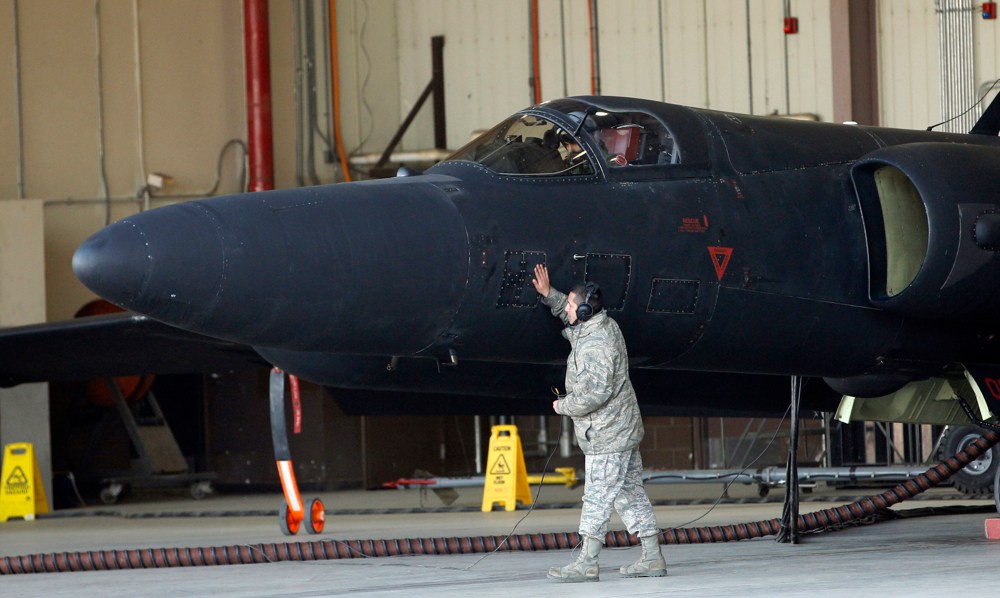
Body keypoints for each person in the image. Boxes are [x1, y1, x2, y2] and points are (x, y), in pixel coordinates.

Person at [531, 263, 666, 583]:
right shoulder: (596, 325)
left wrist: (563, 406)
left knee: (597, 496)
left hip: (609, 432)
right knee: (630, 494)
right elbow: (570, 315)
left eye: (570, 305)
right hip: (619, 429)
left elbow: (597, 392)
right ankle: (653, 557)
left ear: (586, 309)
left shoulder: (598, 343)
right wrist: (551, 295)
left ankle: (587, 562)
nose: (567, 309)